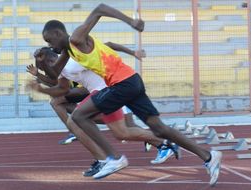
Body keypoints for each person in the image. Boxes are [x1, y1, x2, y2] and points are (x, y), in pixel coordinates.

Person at [42, 4, 222, 186]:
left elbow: (100, 9)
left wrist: (131, 21)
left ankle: (114, 158)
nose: (50, 46)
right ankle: (208, 155)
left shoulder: (77, 37)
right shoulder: (67, 51)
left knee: (80, 115)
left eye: (49, 40)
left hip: (122, 84)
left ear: (58, 33)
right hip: (131, 81)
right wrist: (42, 63)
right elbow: (54, 73)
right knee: (158, 128)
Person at [27, 46, 180, 176]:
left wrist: (132, 52)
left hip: (108, 91)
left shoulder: (73, 59)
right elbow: (57, 85)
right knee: (122, 133)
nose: (48, 72)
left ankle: (105, 160)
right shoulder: (61, 69)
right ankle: (164, 142)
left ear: (53, 60)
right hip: (105, 93)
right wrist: (40, 81)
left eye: (46, 67)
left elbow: (108, 45)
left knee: (75, 120)